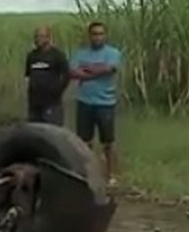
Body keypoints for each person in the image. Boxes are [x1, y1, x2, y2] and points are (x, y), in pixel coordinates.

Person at [70, 21, 123, 184]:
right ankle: (88, 173)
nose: (97, 37)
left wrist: (86, 71)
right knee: (85, 142)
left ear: (105, 36)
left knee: (108, 141)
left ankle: (111, 174)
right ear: (89, 36)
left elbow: (109, 69)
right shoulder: (80, 53)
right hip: (85, 101)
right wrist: (96, 71)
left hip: (105, 103)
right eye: (94, 34)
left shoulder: (113, 53)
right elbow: (73, 72)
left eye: (100, 34)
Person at [23, 26, 69, 125]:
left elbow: (66, 76)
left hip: (52, 103)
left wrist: (57, 90)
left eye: (41, 36)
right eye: (36, 36)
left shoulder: (57, 55)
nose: (37, 39)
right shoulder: (32, 56)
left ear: (48, 38)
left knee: (52, 132)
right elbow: (28, 76)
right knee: (35, 132)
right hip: (34, 103)